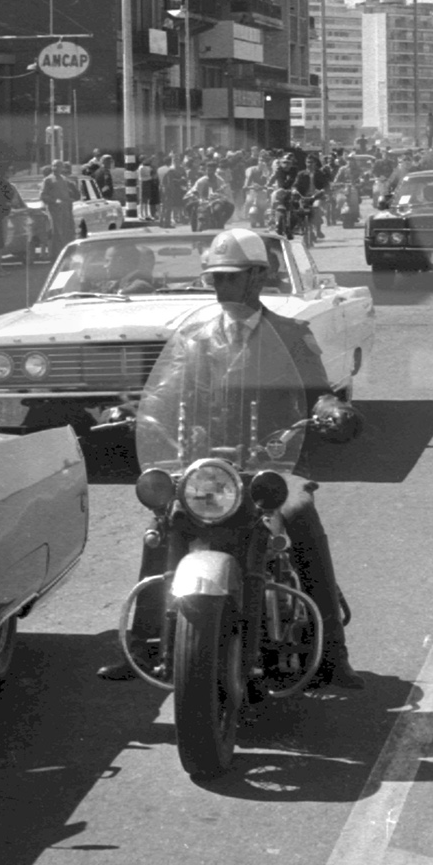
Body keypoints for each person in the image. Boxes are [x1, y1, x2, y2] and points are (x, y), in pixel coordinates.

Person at [113, 227, 355, 688]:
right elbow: (164, 393)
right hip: (207, 466)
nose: (220, 287)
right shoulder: (196, 337)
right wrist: (133, 411)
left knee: (301, 520)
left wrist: (331, 411)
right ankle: (143, 646)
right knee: (163, 527)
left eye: (230, 277)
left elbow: (317, 394)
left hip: (274, 464)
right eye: (214, 278)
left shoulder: (290, 334)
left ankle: (334, 655)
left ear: (257, 277)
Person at [39, 161, 76, 259]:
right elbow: (43, 195)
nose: (57, 168)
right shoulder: (48, 180)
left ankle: (64, 254)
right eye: (55, 166)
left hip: (65, 210)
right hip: (54, 210)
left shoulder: (64, 179)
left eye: (59, 166)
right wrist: (54, 201)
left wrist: (69, 200)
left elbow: (68, 194)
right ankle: (54, 255)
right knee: (56, 232)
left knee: (66, 232)